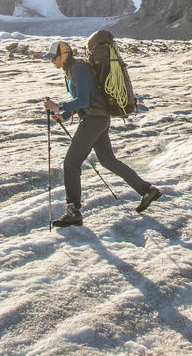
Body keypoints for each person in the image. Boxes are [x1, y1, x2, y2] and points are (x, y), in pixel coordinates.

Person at [42, 39, 161, 227]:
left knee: (71, 163)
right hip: (98, 119)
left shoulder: (78, 68)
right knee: (107, 161)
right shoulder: (72, 69)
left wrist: (59, 106)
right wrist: (64, 115)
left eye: (53, 58)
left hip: (94, 120)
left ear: (63, 55)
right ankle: (147, 190)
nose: (52, 62)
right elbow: (83, 100)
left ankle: (73, 211)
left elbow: (83, 100)